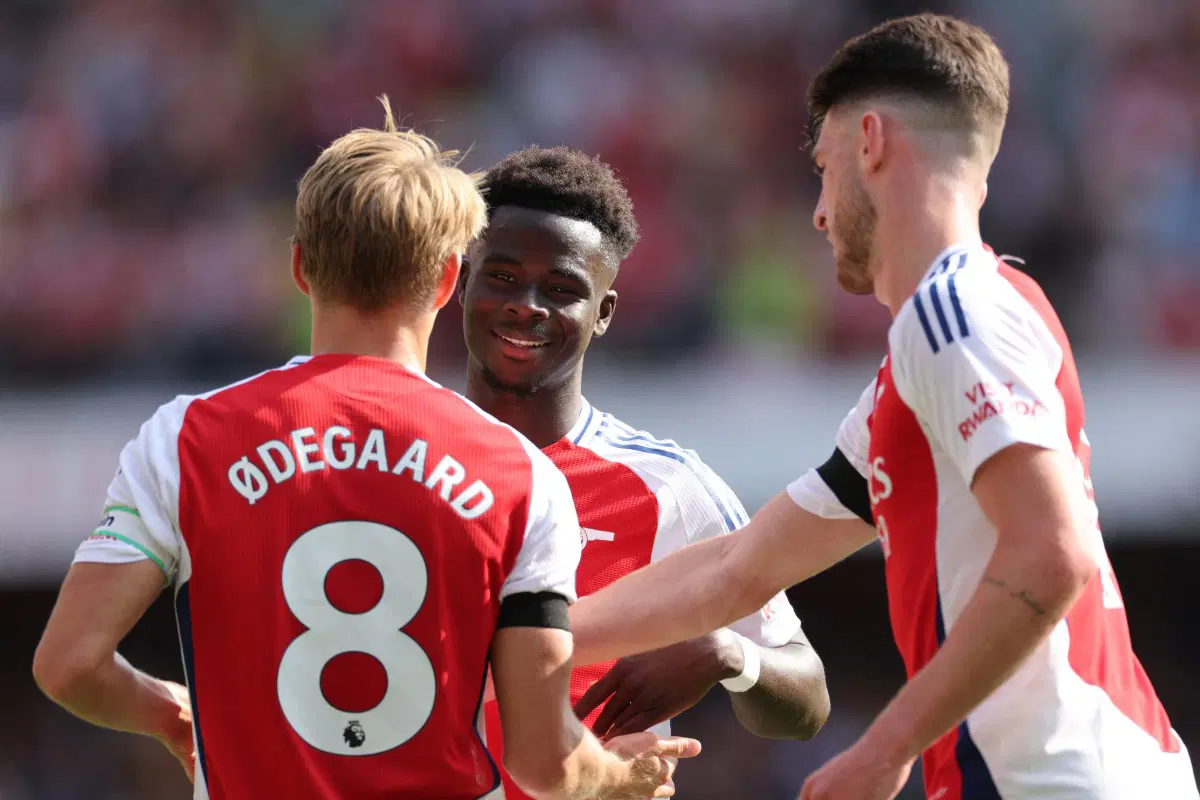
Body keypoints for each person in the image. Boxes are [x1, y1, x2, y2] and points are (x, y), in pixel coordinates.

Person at [564, 14, 1200, 800]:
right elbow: (738, 569)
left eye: (823, 168)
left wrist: (884, 749)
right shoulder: (939, 347)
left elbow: (1051, 551)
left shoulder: (952, 314)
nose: (819, 211)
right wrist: (530, 634)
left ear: (870, 142)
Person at [31, 100, 700, 800]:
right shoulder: (521, 477)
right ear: (448, 279)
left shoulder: (184, 439)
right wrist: (619, 776)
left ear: (300, 267)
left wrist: (172, 717)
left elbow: (69, 664)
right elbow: (543, 763)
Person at [457, 145, 830, 798]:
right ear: (461, 283)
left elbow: (808, 699)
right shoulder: (402, 461)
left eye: (563, 289)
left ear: (603, 313)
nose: (527, 306)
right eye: (503, 277)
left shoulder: (667, 487)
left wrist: (726, 654)